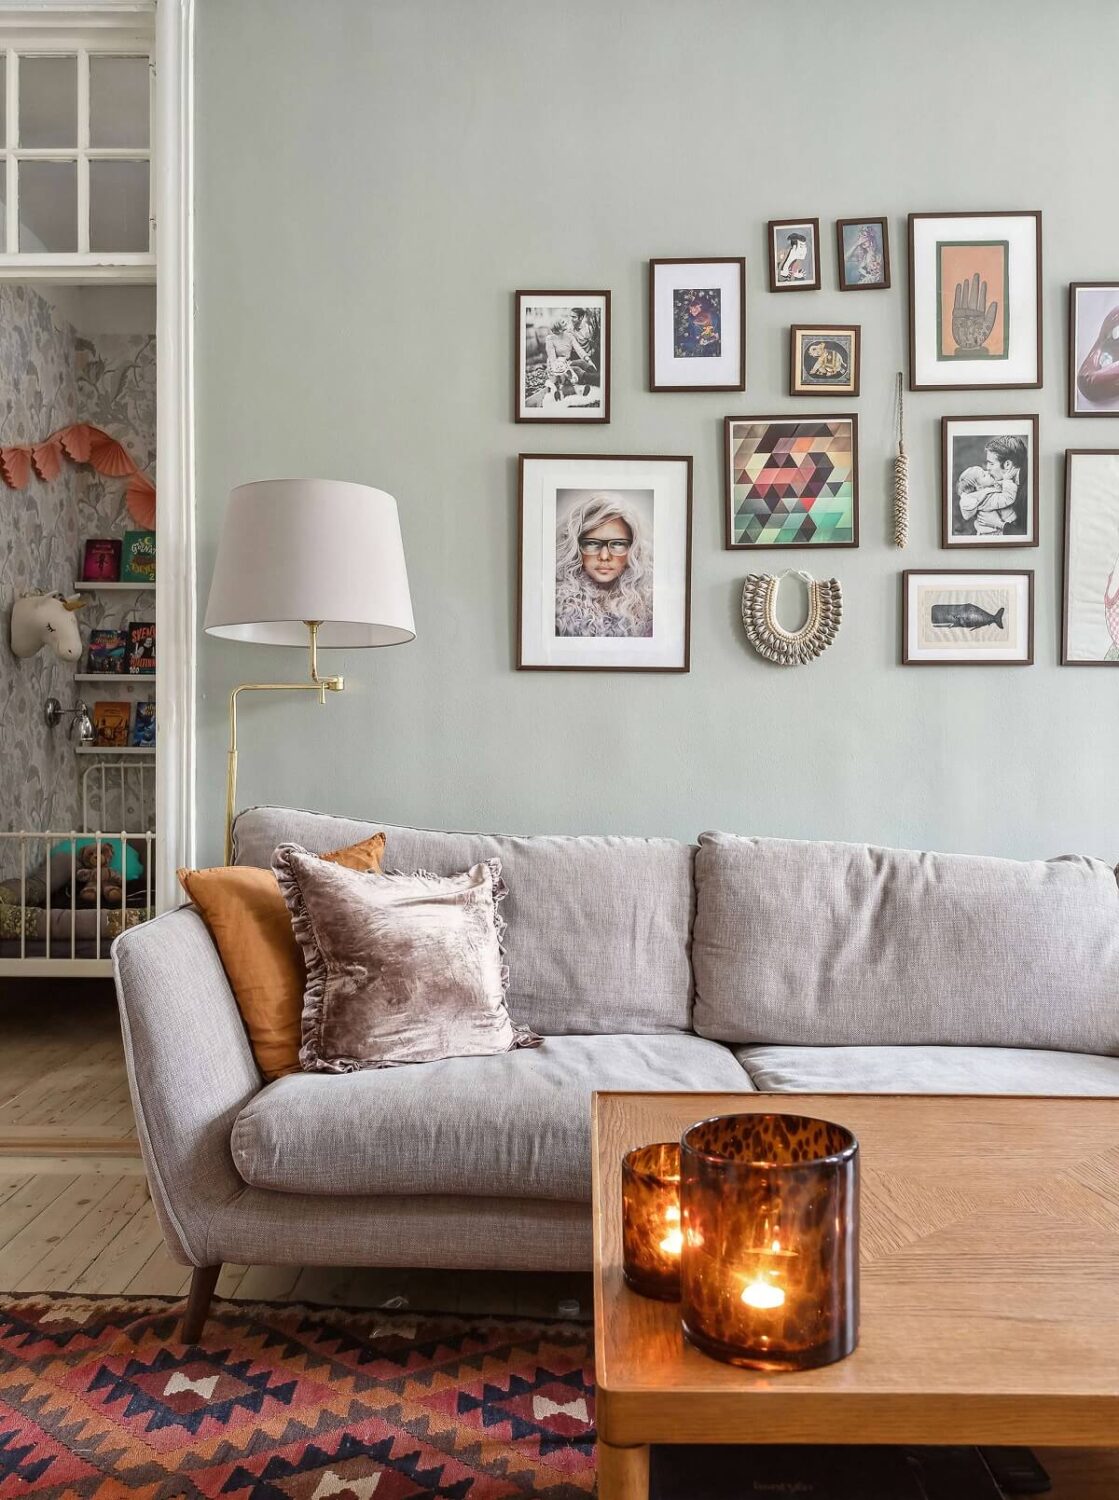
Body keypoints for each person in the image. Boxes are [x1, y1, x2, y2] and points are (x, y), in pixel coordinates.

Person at [555, 494, 653, 638]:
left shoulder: (650, 608)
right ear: (575, 546)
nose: (605, 556)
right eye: (592, 543)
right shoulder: (555, 605)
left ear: (634, 549)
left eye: (618, 543)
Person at [957, 436, 1026, 536]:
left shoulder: (1027, 488)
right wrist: (1006, 481)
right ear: (979, 487)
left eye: (991, 464)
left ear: (1007, 465)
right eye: (984, 475)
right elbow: (1007, 498)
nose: (987, 469)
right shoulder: (985, 497)